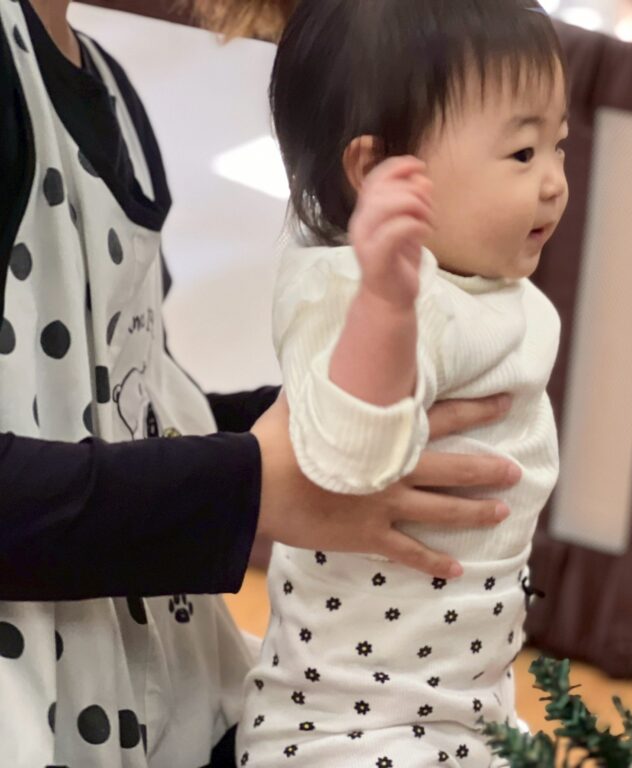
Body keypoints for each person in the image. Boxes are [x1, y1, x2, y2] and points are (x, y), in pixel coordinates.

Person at [0, 0, 523, 764]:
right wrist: (254, 482)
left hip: (151, 698)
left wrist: (324, 419)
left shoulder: (104, 88)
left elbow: (118, 407)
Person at [236, 0, 568, 764]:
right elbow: (347, 454)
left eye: (559, 145)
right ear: (376, 171)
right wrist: (385, 301)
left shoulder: (485, 287)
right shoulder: (352, 290)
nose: (553, 181)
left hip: (464, 703)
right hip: (347, 731)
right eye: (522, 153)